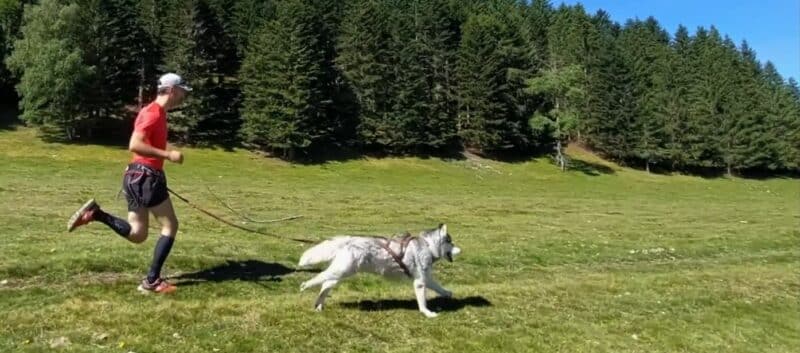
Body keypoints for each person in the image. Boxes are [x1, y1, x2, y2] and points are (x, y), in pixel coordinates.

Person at [66, 73, 191, 294]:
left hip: (136, 177)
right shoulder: (153, 113)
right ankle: (152, 281)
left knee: (137, 234)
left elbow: (147, 142)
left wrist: (164, 154)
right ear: (172, 91)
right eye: (182, 91)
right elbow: (135, 144)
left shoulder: (157, 113)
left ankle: (97, 214)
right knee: (170, 225)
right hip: (146, 178)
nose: (184, 95)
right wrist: (168, 155)